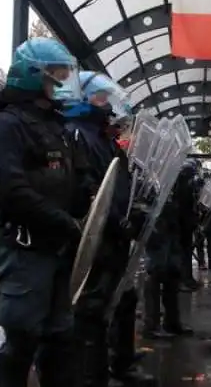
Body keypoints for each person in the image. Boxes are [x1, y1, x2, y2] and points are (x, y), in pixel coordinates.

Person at [0, 37, 85, 387]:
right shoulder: (8, 125)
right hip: (26, 250)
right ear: (32, 75)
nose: (60, 82)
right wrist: (61, 220)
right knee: (22, 339)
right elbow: (12, 191)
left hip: (57, 249)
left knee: (59, 337)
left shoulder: (55, 126)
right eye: (55, 74)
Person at [66, 71, 155, 387]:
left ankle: (115, 365)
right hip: (98, 242)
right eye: (102, 96)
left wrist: (138, 210)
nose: (109, 103)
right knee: (91, 313)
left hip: (114, 239)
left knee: (114, 304)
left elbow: (120, 184)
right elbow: (91, 190)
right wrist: (119, 219)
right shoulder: (79, 135)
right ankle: (93, 376)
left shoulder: (104, 140)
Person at [142, 159, 196, 340]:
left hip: (172, 227)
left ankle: (172, 321)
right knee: (155, 275)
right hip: (158, 227)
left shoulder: (176, 175)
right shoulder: (150, 172)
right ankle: (152, 324)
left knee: (173, 274)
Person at [179, 160, 202, 291]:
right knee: (184, 253)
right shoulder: (182, 188)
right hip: (182, 224)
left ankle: (188, 278)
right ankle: (184, 279)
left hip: (187, 223)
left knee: (187, 252)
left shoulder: (188, 188)